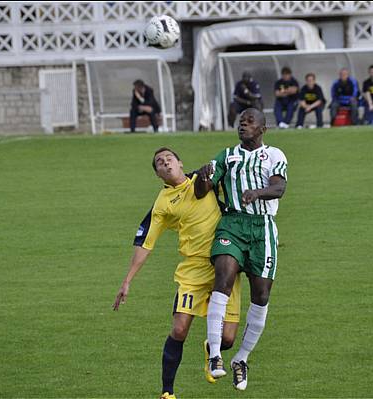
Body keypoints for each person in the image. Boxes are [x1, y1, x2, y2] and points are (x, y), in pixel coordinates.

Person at [113, 148, 242, 399]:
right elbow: (146, 243)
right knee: (180, 329)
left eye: (168, 158)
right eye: (159, 163)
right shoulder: (162, 203)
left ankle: (211, 348)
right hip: (193, 269)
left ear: (180, 163)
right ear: (158, 174)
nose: (165, 163)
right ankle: (167, 392)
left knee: (227, 338)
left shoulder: (205, 181)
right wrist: (127, 281)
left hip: (225, 264)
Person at [194, 108, 288, 391]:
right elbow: (202, 190)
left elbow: (279, 188)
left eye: (249, 122)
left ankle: (241, 359)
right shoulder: (226, 156)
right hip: (232, 224)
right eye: (240, 122)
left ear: (263, 128)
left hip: (263, 229)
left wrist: (256, 193)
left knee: (261, 297)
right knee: (222, 279)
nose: (243, 126)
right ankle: (214, 357)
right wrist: (202, 176)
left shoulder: (275, 155)